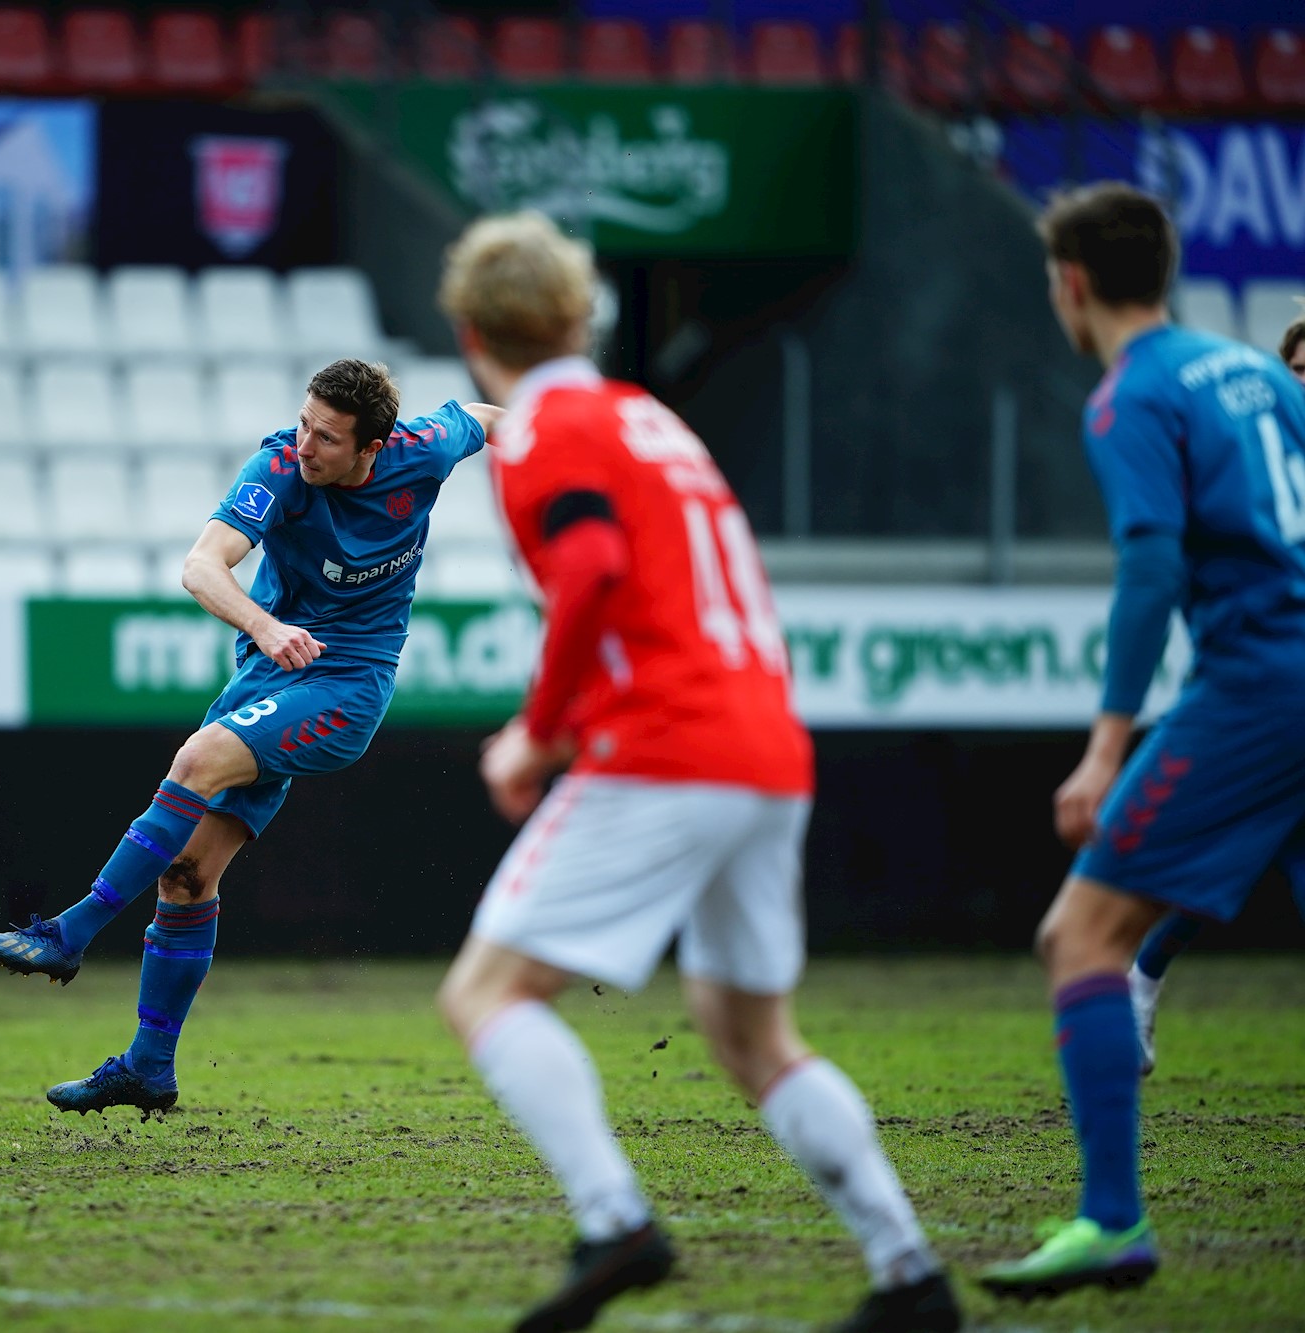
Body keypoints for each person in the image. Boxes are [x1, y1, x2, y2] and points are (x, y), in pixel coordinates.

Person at [432, 213, 961, 1333]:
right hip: (765, 742)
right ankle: (907, 1273)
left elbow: (586, 569)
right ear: (582, 317)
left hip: (666, 745)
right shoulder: (645, 415)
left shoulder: (542, 429)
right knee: (750, 1032)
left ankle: (612, 1217)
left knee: (483, 992)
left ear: (471, 332)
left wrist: (537, 729)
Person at [0, 359, 502, 1113]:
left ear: (373, 447)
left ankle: (70, 931)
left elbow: (485, 419)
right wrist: (264, 624)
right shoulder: (280, 465)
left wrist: (565, 451)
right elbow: (201, 567)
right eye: (303, 424)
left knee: (197, 759)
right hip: (269, 674)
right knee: (186, 874)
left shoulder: (424, 446)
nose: (306, 444)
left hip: (346, 685)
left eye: (326, 437)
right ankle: (149, 1068)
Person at [981, 184, 1305, 1300]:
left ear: (1070, 283)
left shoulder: (1130, 399)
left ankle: (1110, 1217)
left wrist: (1105, 744)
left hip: (1261, 683)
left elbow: (1153, 567)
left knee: (1079, 935)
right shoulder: (1259, 371)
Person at [1124, 307, 1305, 1076]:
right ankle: (1137, 974)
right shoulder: (1249, 471)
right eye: (1300, 369)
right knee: (1212, 861)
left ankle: (1139, 975)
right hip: (1263, 696)